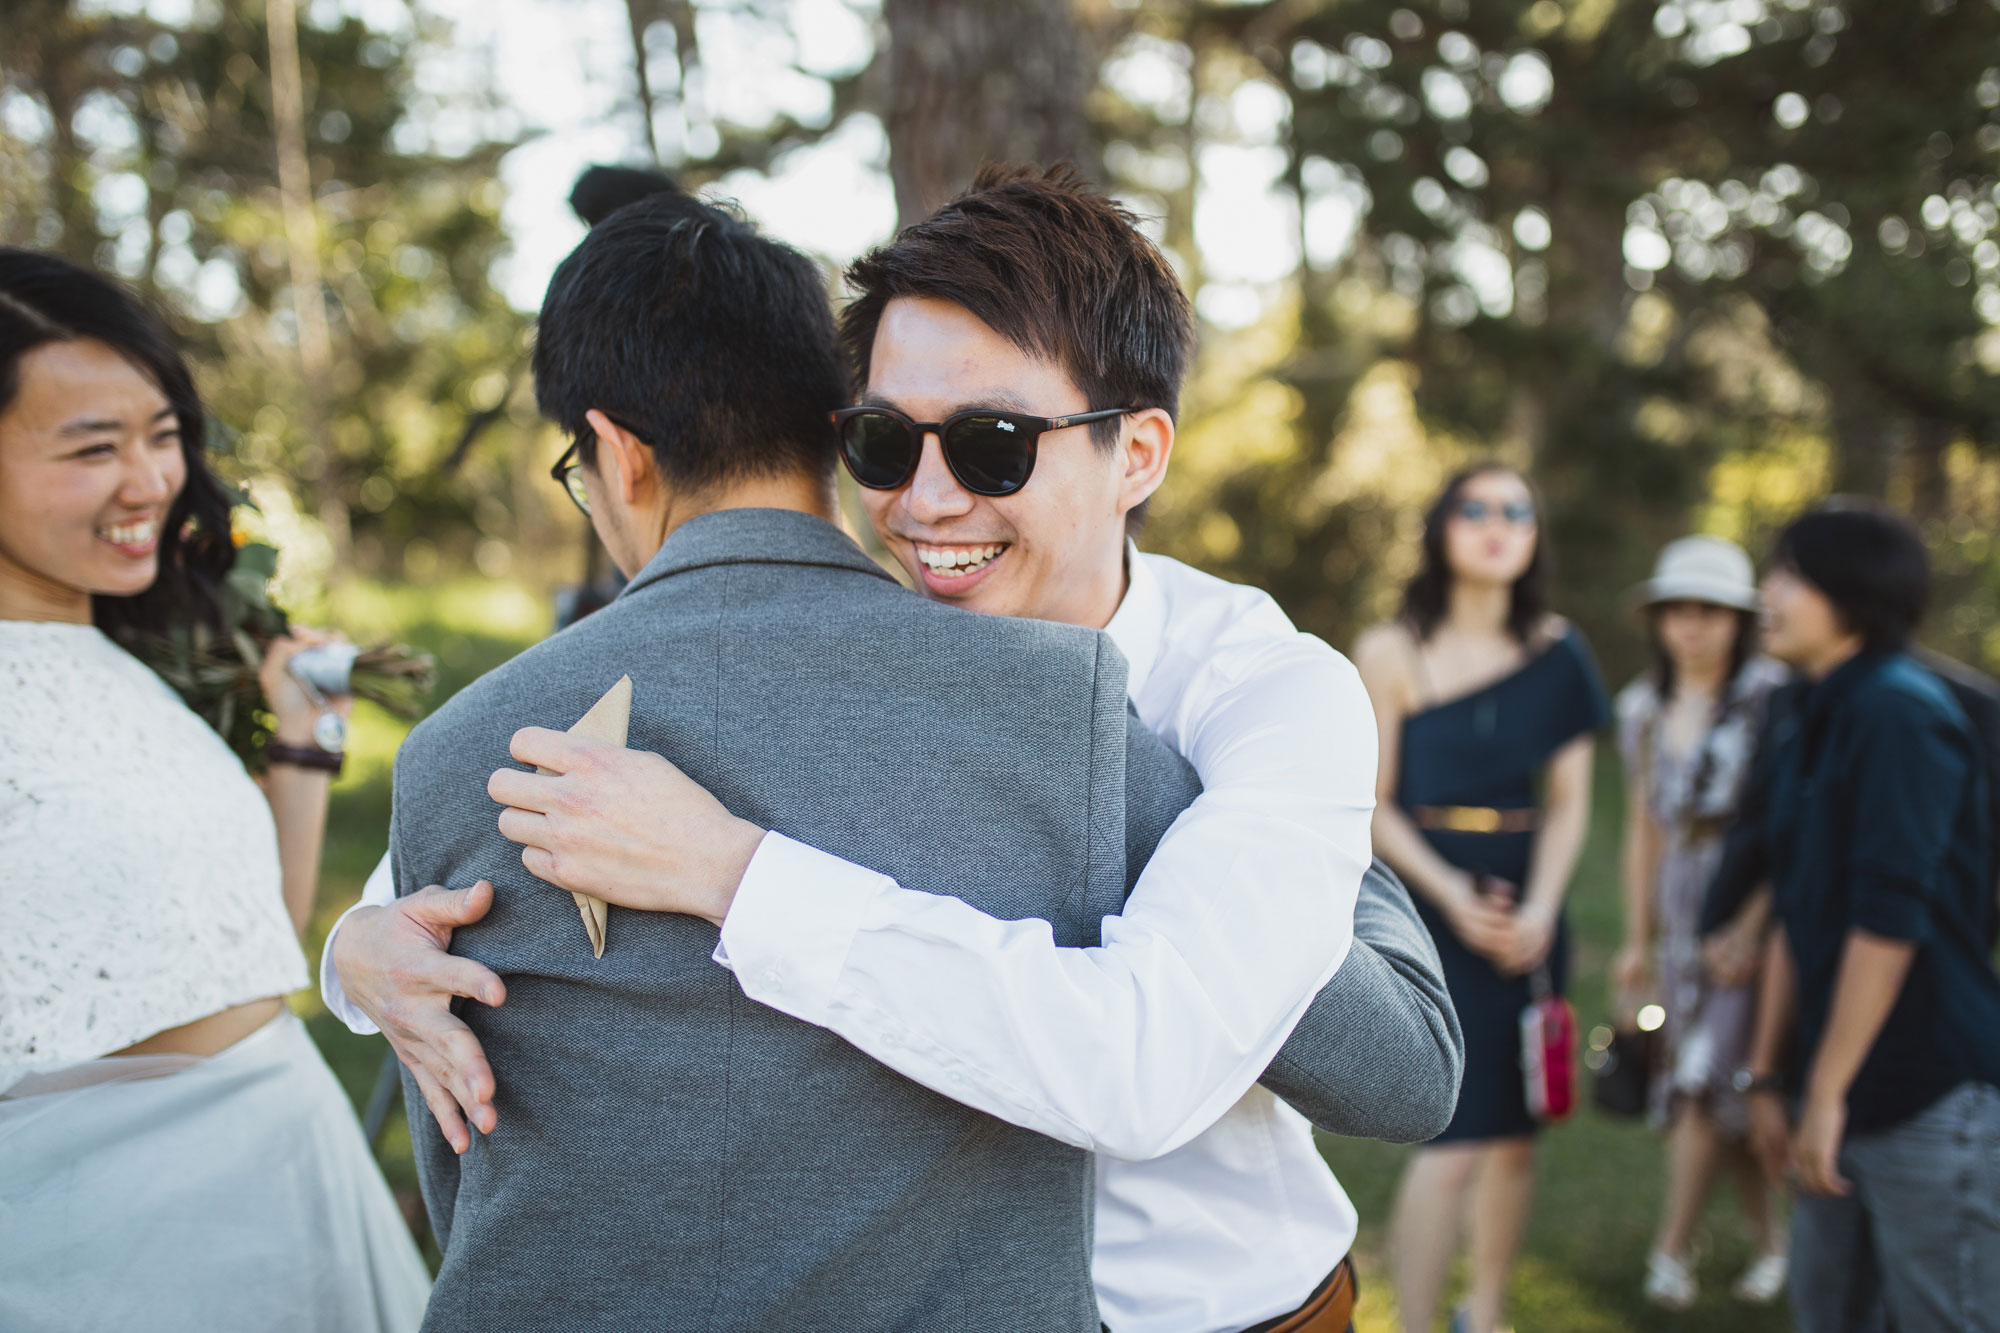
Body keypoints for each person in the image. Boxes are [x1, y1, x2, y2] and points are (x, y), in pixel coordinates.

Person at [327, 166, 1465, 1333]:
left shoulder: (1258, 693)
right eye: (879, 441)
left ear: (1136, 453)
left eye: (991, 444)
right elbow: (471, 854)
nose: (923, 504)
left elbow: (1173, 1068)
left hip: (1220, 1310)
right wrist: (360, 950)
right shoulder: (861, 638)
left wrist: (729, 871)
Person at [0, 250, 429, 1330]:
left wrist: (298, 745)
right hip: (98, 1243)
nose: (149, 479)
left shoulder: (128, 665)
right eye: (93, 447)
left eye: (160, 435)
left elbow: (250, 944)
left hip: (287, 1169)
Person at [1725, 500, 2000, 1333]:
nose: (1765, 592)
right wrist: (1772, 1077)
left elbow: (1888, 920)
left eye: (1789, 575)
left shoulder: (1900, 712)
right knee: (1829, 1310)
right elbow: (1795, 906)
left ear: (1856, 591)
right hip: (1830, 1088)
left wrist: (1828, 1092)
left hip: (1925, 1092)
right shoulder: (1806, 707)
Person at [1354, 464, 1609, 1333]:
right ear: (1441, 527)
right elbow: (1373, 804)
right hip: (1434, 907)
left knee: (1515, 1137)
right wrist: (1455, 896)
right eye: (1475, 508)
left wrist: (1539, 909)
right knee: (1455, 1141)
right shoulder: (1390, 650)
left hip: (1529, 912)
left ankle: (1488, 1313)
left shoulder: (1559, 649)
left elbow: (1571, 801)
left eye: (1517, 511)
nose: (1497, 525)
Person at [1610, 536, 1791, 1309]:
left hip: (1753, 896)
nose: (1692, 626)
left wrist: (1751, 923)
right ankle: (1778, 1244)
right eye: (1678, 610)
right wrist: (1637, 939)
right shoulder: (1641, 710)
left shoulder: (1775, 696)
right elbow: (1643, 830)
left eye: (1711, 611)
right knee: (1722, 1094)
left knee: (1700, 1080)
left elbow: (1791, 820)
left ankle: (1670, 1250)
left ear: (1739, 619)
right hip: (1682, 906)